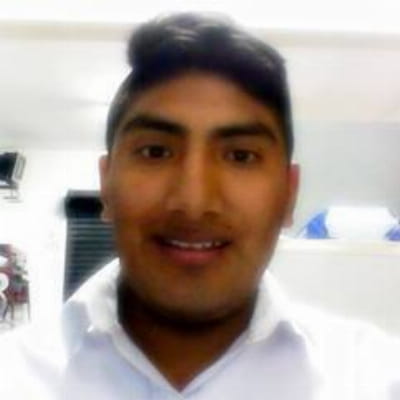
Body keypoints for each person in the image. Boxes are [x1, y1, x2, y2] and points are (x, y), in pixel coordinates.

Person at [1, 13, 399, 400]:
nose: (194, 202)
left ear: (289, 193)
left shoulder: (375, 381)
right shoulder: (13, 378)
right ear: (106, 184)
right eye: (156, 151)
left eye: (240, 156)